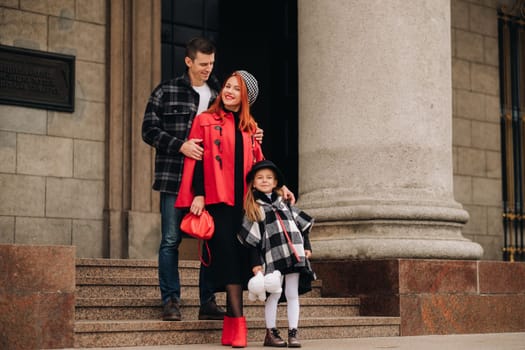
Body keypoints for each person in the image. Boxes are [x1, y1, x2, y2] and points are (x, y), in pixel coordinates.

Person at [176, 70, 295, 348]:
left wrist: (280, 187)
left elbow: (260, 167)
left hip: (244, 206)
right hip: (218, 204)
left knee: (243, 262)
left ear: (245, 97)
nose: (228, 91)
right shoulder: (204, 120)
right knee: (227, 260)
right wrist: (200, 194)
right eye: (227, 86)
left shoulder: (251, 128)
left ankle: (231, 328)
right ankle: (239, 326)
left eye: (235, 89)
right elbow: (197, 159)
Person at [142, 37, 252, 321]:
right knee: (170, 239)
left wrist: (253, 134)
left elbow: (237, 126)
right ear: (188, 61)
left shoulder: (220, 90)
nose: (208, 69)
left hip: (212, 183)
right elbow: (149, 129)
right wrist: (180, 144)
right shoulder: (166, 91)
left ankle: (207, 302)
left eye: (212, 63)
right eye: (203, 64)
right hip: (174, 177)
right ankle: (171, 300)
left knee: (211, 239)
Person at [239, 160, 314, 348]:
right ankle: (270, 332)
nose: (265, 181)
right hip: (272, 257)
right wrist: (255, 264)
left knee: (292, 294)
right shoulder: (254, 209)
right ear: (254, 183)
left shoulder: (285, 204)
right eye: (260, 178)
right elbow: (252, 241)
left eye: (269, 178)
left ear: (275, 183)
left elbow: (302, 227)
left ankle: (293, 332)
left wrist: (307, 246)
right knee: (274, 293)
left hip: (294, 254)